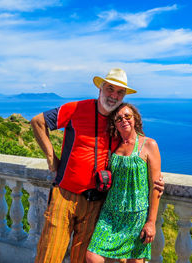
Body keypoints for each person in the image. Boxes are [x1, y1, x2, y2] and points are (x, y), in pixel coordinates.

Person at [31, 68, 164, 263]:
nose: (114, 95)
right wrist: (52, 160)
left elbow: (135, 156)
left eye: (120, 92)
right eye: (110, 89)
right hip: (65, 194)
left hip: (96, 201)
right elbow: (37, 122)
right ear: (100, 89)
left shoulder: (117, 124)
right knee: (49, 255)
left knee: (80, 258)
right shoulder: (77, 108)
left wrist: (156, 181)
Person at [86, 103, 161, 263]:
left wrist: (151, 222)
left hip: (136, 215)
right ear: (114, 123)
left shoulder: (148, 144)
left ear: (135, 119)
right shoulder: (113, 145)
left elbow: (156, 186)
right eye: (119, 118)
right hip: (110, 213)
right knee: (93, 257)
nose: (124, 120)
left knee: (134, 261)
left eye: (128, 116)